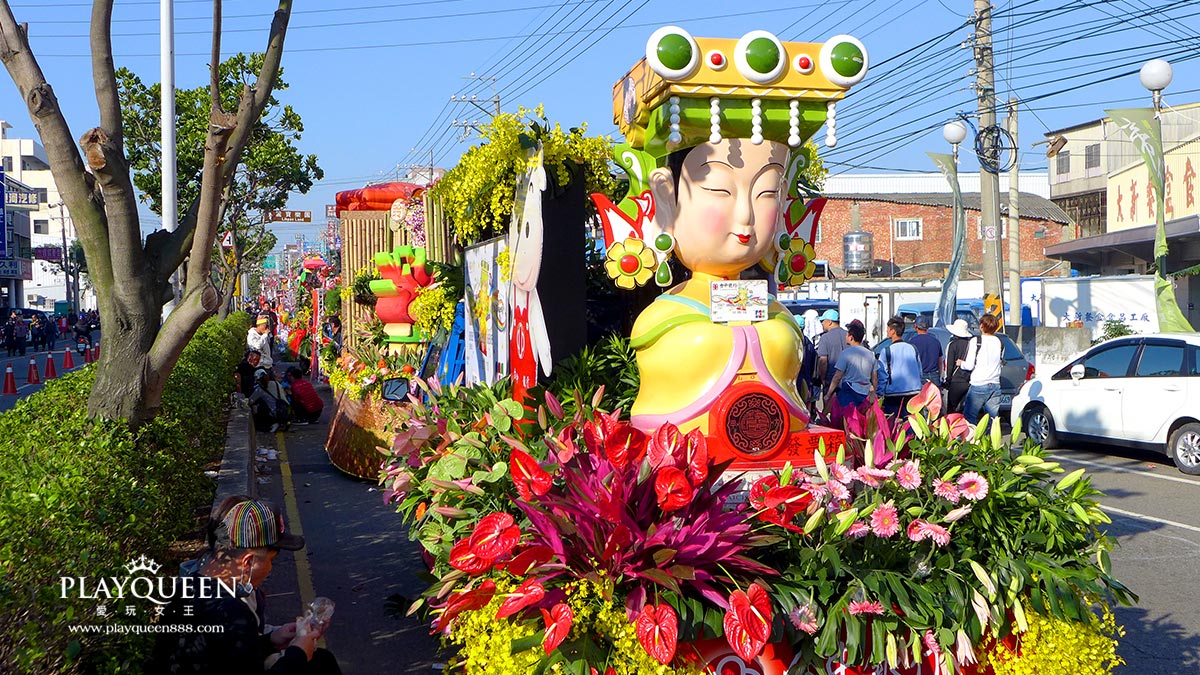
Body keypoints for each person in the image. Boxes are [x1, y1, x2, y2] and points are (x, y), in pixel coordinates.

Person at [149, 496, 341, 674]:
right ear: (248, 562)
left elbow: (228, 655)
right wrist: (298, 653)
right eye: (270, 560)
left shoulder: (189, 585)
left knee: (322, 661)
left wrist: (271, 640)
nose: (270, 569)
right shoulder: (231, 612)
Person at [823, 321, 877, 425]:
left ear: (851, 337)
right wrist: (873, 393)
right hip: (865, 391)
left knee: (845, 421)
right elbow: (874, 377)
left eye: (847, 334)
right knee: (863, 422)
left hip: (849, 391)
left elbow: (837, 376)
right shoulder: (870, 354)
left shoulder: (846, 354)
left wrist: (829, 393)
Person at [959, 313, 1004, 424]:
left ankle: (972, 440)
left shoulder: (976, 341)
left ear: (981, 326)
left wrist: (961, 363)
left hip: (979, 384)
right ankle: (991, 440)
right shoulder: (1000, 342)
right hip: (995, 384)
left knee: (970, 416)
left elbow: (969, 365)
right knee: (993, 419)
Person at [877, 315, 923, 415]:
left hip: (893, 395)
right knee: (911, 425)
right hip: (914, 393)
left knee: (893, 426)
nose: (887, 331)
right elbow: (920, 372)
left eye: (888, 329)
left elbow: (882, 376)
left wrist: (879, 394)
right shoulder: (913, 348)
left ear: (893, 331)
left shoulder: (886, 351)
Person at [815, 310, 847, 403]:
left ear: (830, 322)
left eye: (823, 321)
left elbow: (823, 361)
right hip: (848, 381)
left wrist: (823, 379)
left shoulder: (825, 338)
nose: (822, 324)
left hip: (831, 381)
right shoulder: (848, 335)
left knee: (830, 410)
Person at [943, 319, 974, 414]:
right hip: (969, 380)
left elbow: (950, 364)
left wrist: (947, 380)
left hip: (956, 380)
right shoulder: (971, 344)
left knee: (952, 409)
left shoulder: (952, 345)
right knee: (965, 410)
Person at [908, 315, 944, 387]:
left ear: (915, 326)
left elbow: (910, 363)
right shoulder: (936, 341)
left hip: (919, 376)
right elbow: (940, 362)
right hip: (934, 376)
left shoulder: (912, 342)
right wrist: (939, 376)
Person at [250, 368, 290, 433]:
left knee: (261, 405)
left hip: (275, 413)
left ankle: (272, 423)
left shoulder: (260, 389)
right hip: (286, 410)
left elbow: (250, 401)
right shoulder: (276, 383)